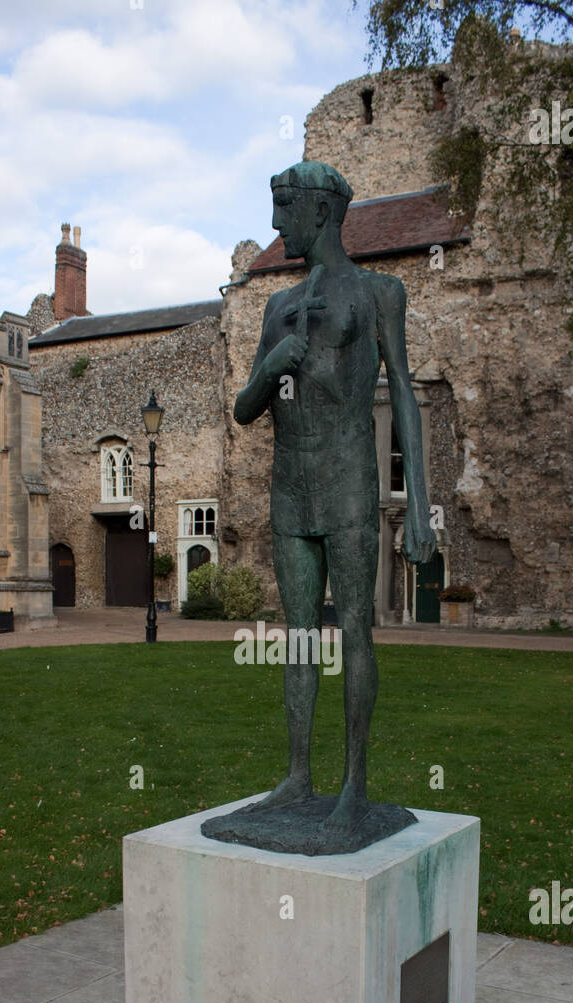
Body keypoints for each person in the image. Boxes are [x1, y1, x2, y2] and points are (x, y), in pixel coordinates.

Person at [233, 161, 434, 849]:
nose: (274, 223)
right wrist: (271, 363)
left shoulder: (380, 293)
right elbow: (244, 409)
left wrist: (424, 504)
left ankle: (353, 783)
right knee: (296, 635)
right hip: (291, 482)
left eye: (283, 208)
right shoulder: (276, 307)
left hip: (349, 479)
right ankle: (296, 776)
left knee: (353, 630)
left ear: (318, 211)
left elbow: (404, 390)